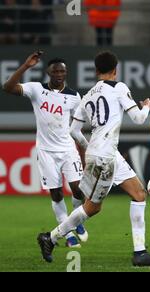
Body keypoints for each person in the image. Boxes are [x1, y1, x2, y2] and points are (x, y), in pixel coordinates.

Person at [37, 50, 150, 266]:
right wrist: (146, 107)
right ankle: (50, 237)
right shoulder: (119, 87)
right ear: (115, 70)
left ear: (96, 71)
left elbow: (74, 130)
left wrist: (91, 148)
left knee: (139, 194)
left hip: (104, 152)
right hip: (103, 156)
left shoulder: (87, 95)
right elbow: (138, 118)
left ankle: (140, 253)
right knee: (92, 207)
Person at [2, 51, 88, 248]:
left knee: (78, 189)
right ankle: (68, 235)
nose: (59, 74)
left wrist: (83, 150)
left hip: (67, 149)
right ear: (49, 72)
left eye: (62, 71)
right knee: (56, 194)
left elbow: (77, 127)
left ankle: (77, 221)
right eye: (55, 71)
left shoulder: (75, 97)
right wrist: (25, 66)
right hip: (46, 152)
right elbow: (7, 87)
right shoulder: (36, 89)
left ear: (66, 74)